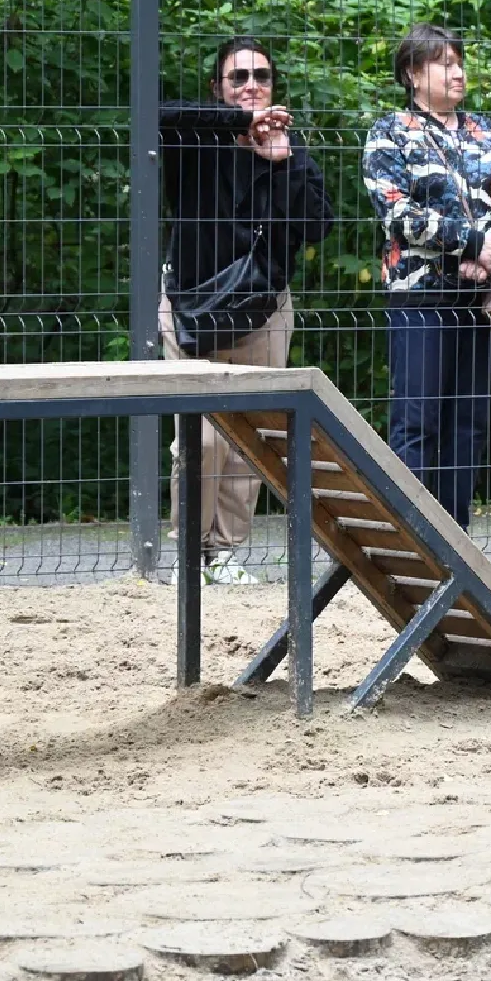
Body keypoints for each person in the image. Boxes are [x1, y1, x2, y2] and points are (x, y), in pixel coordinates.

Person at [158, 36, 334, 585]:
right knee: (202, 436)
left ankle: (225, 553)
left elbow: (317, 225)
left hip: (263, 308)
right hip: (193, 306)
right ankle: (191, 551)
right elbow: (156, 113)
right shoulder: (193, 139)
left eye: (262, 76)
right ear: (217, 87)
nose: (252, 85)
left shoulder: (287, 147)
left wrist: (282, 162)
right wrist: (238, 124)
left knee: (251, 437)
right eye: (239, 77)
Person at [362, 23, 491, 531]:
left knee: (468, 424)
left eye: (459, 63)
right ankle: (411, 536)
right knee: (418, 421)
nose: (458, 73)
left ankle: (455, 539)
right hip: (421, 297)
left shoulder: (488, 131)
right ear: (412, 74)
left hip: (479, 297)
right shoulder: (390, 133)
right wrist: (472, 243)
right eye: (444, 64)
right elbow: (396, 212)